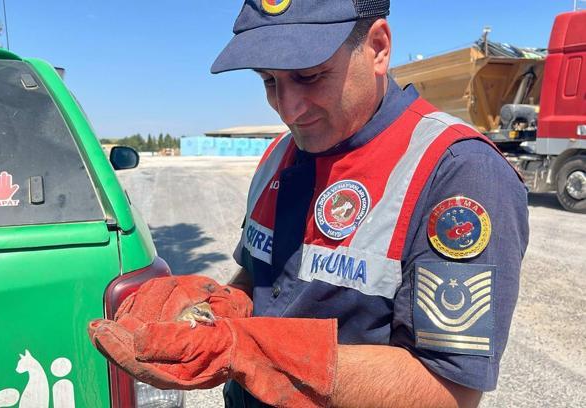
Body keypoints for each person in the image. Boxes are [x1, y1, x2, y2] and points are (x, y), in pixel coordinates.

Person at [88, 1, 529, 407]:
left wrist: (246, 350)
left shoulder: (456, 171)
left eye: (310, 75)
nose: (288, 108)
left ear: (377, 47)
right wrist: (214, 308)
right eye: (269, 81)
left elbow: (448, 390)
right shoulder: (281, 154)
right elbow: (263, 278)